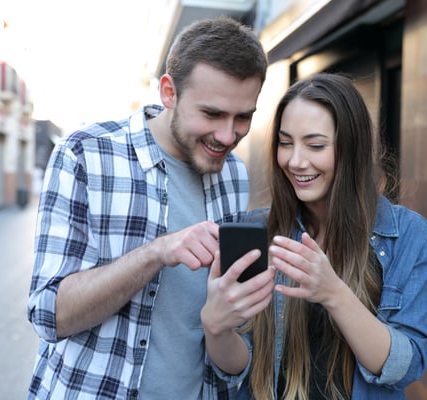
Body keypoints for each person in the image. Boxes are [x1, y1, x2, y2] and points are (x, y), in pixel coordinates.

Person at [26, 16, 272, 399]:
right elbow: (48, 314)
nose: (228, 136)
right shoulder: (84, 155)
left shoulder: (235, 175)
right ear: (168, 92)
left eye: (243, 117)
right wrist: (157, 252)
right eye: (211, 114)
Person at [200, 73, 427, 399]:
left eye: (315, 145)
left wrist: (333, 293)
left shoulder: (409, 235)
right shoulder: (259, 229)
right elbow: (240, 365)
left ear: (351, 149)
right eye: (285, 143)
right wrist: (216, 328)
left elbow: (405, 366)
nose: (296, 161)